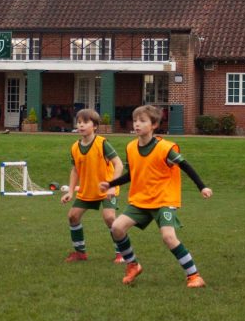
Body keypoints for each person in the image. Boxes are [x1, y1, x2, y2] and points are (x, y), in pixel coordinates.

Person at [100, 104, 212, 288]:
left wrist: (202, 187)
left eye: (142, 121)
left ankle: (194, 276)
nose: (137, 124)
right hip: (141, 200)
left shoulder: (165, 148)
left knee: (168, 237)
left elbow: (186, 166)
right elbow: (132, 174)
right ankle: (133, 265)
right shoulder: (131, 147)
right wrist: (110, 184)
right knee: (117, 228)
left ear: (154, 125)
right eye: (135, 120)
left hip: (163, 200)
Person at [60, 108, 124, 262]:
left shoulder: (102, 143)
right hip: (88, 190)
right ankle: (80, 253)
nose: (81, 125)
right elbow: (75, 170)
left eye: (85, 122)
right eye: (79, 122)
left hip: (106, 190)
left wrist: (113, 186)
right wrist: (70, 191)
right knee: (73, 216)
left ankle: (121, 254)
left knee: (109, 218)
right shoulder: (75, 147)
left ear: (95, 126)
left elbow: (119, 164)